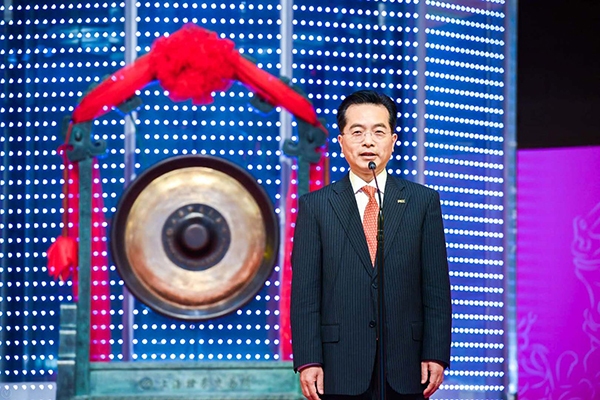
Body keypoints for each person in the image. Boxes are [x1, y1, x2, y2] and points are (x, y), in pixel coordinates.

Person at [290, 90, 452, 400]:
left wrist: (436, 353)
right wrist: (309, 359)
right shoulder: (316, 206)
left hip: (406, 364)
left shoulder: (422, 202)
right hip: (339, 365)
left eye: (378, 132)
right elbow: (305, 294)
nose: (368, 141)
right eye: (357, 132)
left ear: (393, 140)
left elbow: (436, 288)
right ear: (341, 142)